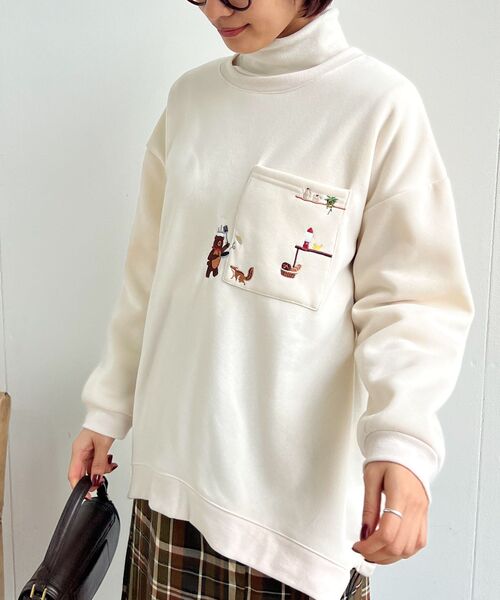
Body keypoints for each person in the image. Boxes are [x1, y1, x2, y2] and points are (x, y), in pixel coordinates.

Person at [68, 1, 475, 598]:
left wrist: (403, 440)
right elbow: (150, 275)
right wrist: (107, 407)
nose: (214, 11)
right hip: (170, 478)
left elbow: (413, 302)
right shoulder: (190, 102)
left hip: (288, 519)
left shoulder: (378, 106)